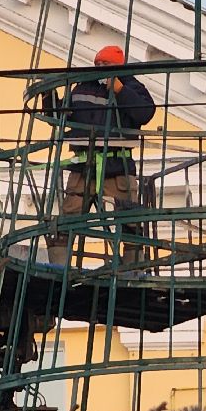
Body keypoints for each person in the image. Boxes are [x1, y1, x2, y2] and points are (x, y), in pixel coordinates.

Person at [47, 45, 155, 267]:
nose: (99, 69)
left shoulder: (131, 85)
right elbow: (59, 115)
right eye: (97, 64)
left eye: (105, 65)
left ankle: (131, 271)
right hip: (83, 165)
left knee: (130, 223)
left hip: (118, 166)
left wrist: (120, 90)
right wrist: (49, 95)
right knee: (66, 220)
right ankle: (60, 270)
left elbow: (145, 113)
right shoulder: (82, 86)